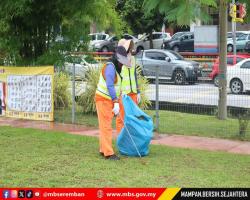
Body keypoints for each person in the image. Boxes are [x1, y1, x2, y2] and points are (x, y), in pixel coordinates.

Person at [95, 46, 131, 160]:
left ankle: (103, 149)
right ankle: (108, 153)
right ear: (117, 58)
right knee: (106, 126)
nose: (122, 64)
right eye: (121, 62)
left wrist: (118, 98)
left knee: (105, 125)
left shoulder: (116, 67)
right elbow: (110, 85)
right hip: (103, 99)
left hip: (108, 99)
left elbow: (116, 86)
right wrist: (115, 101)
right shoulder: (110, 67)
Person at [116, 39, 141, 134]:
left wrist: (138, 92)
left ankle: (131, 139)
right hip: (123, 94)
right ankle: (121, 140)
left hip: (133, 93)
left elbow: (134, 76)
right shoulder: (119, 60)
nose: (129, 49)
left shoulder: (133, 59)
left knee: (133, 117)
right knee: (121, 118)